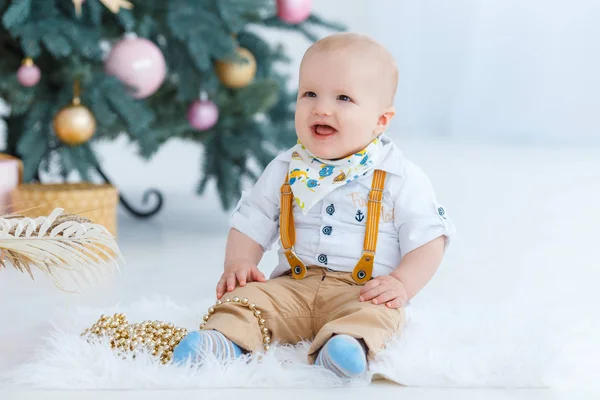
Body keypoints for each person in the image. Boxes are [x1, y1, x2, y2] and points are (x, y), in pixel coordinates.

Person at [173, 32, 455, 379]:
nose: (321, 108)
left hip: (360, 292)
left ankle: (346, 347)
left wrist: (401, 283)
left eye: (343, 98)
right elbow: (253, 218)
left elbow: (429, 239)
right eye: (309, 94)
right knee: (249, 300)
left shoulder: (399, 176)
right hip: (292, 285)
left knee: (379, 315)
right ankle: (222, 342)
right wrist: (241, 263)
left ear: (381, 120)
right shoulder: (285, 168)